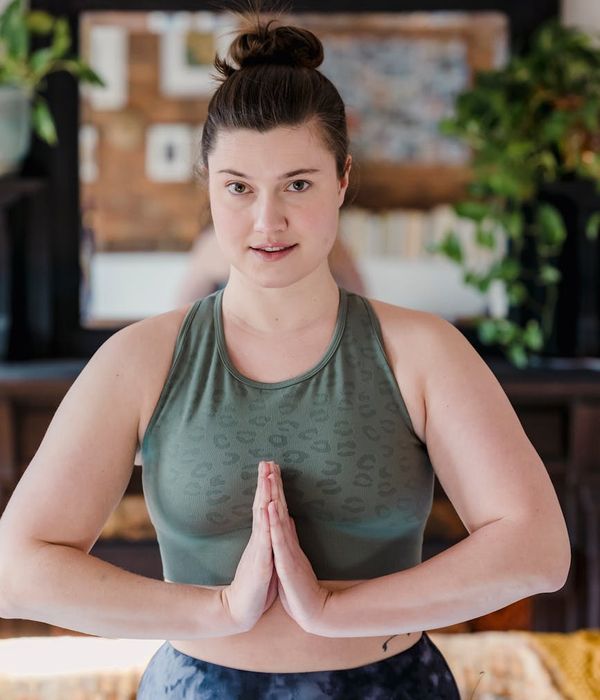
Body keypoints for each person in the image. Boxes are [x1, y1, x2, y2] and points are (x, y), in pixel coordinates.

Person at [0, 10, 571, 700]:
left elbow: (538, 552)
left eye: (297, 185)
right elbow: (17, 568)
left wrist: (334, 610)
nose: (267, 222)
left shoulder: (423, 352)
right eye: (239, 187)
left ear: (342, 180)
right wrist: (220, 610)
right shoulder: (138, 360)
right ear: (208, 182)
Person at [175, 224, 366, 304]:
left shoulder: (330, 245)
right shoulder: (213, 244)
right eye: (240, 188)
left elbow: (358, 296)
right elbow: (185, 311)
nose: (268, 225)